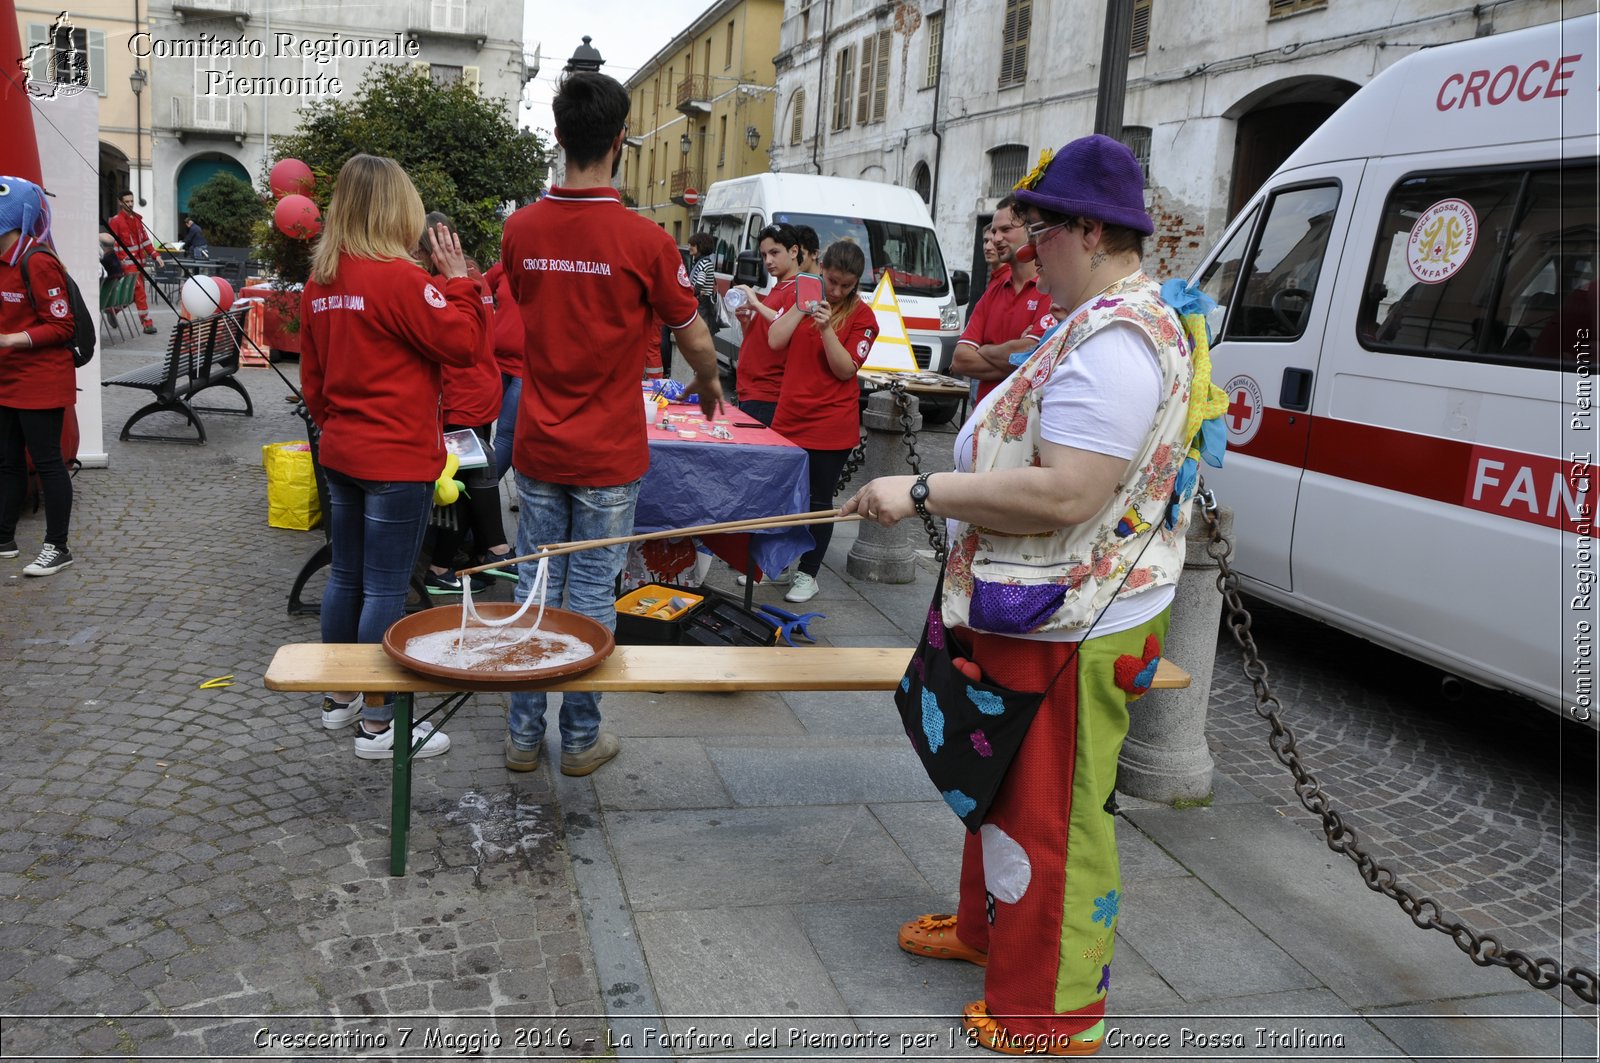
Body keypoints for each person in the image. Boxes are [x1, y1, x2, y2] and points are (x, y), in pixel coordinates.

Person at [842, 135, 1197, 1056]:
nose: (1027, 247)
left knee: (1055, 815)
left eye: (1040, 230)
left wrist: (920, 490)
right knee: (998, 783)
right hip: (1039, 608)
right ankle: (988, 929)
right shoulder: (1101, 317)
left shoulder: (1118, 340)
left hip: (1072, 623)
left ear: (1090, 230)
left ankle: (1055, 1014)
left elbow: (1068, 490)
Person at [499, 70, 722, 779]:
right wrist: (712, 382)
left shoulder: (520, 230)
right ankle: (583, 737)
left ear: (559, 136)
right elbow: (693, 338)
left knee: (536, 583)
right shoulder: (647, 242)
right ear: (622, 140)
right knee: (592, 590)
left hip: (537, 440)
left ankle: (522, 736)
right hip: (607, 451)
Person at [299, 154, 488, 760]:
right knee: (384, 589)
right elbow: (460, 345)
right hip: (396, 458)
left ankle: (339, 698)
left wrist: (339, 428)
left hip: (343, 452)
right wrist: (459, 281)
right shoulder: (401, 280)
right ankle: (379, 725)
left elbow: (313, 382)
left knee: (346, 577)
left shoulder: (321, 283)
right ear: (395, 208)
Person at [413, 211, 517, 594]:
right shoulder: (472, 275)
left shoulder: (437, 286)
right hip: (482, 391)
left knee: (457, 483)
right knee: (471, 475)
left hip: (459, 396)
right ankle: (486, 553)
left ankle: (445, 568)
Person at [767, 240, 876, 604]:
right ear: (821, 268)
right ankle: (779, 562)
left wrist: (828, 328)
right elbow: (774, 340)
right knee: (783, 499)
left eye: (847, 285)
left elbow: (846, 369)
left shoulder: (863, 317)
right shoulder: (801, 294)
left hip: (831, 426)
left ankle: (807, 573)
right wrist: (800, 309)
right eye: (832, 280)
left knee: (818, 503)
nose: (837, 290)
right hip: (788, 419)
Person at [0, 175, 77, 577]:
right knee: (7, 461)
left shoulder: (38, 261)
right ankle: (4, 539)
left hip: (41, 379)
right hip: (6, 378)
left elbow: (61, 326)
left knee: (48, 463)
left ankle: (57, 547)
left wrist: (12, 339)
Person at [951, 194, 1052, 403]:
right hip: (983, 420)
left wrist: (983, 350)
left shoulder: (1050, 289)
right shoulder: (994, 289)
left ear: (1030, 230)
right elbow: (959, 360)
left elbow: (1034, 356)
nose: (996, 239)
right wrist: (1016, 360)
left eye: (1006, 230)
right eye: (994, 231)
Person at [727, 222, 804, 426]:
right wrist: (746, 323)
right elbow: (763, 336)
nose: (768, 261)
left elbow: (789, 330)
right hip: (752, 390)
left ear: (794, 251)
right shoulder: (780, 287)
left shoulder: (800, 289)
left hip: (768, 395)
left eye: (774, 253)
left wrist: (755, 303)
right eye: (764, 255)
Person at [483, 258, 524, 488]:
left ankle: (479, 496)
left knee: (507, 434)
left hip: (526, 369)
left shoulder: (546, 268)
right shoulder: (503, 268)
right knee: (510, 433)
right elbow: (477, 290)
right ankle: (522, 489)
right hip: (496, 363)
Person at [107, 190, 161, 334]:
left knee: (131, 295)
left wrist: (156, 255)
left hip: (140, 263)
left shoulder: (137, 219)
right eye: (127, 201)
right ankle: (147, 324)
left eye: (132, 201)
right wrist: (120, 261)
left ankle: (113, 310)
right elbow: (112, 244)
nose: (130, 204)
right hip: (128, 264)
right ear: (120, 202)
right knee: (140, 292)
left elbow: (145, 241)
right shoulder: (116, 222)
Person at [687, 231, 720, 330]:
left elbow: (699, 284)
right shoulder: (705, 262)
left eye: (692, 245)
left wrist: (688, 293)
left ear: (700, 246)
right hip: (703, 303)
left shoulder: (703, 263)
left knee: (699, 331)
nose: (689, 247)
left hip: (701, 305)